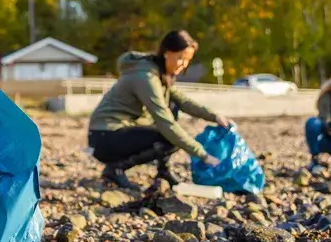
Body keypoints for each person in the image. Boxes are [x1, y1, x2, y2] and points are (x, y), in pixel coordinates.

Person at [88, 30, 233, 191]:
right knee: (170, 138)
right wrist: (203, 155)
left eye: (187, 60)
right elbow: (164, 122)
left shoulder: (160, 75)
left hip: (117, 131)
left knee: (174, 107)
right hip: (104, 137)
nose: (183, 65)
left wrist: (215, 116)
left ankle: (163, 172)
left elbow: (184, 101)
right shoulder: (146, 77)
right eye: (180, 58)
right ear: (166, 53)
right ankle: (115, 169)